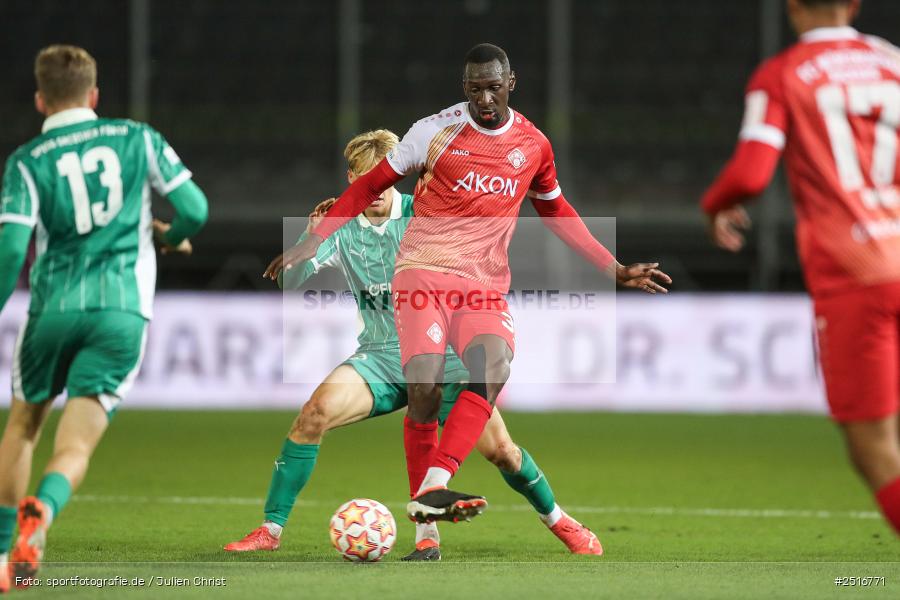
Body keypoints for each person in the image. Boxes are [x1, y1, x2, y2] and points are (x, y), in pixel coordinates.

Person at [265, 43, 671, 523]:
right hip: (413, 295)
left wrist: (613, 267)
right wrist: (314, 241)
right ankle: (300, 528)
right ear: (464, 88)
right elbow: (366, 188)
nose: (484, 98)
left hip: (480, 287)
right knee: (406, 393)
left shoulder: (533, 145)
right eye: (475, 89)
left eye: (493, 87)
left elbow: (555, 209)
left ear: (510, 83)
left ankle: (469, 497)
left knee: (497, 392)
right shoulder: (432, 132)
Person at [226, 130, 601, 560]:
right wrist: (307, 238)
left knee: (503, 452)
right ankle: (271, 530)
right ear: (352, 178)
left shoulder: (426, 213)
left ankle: (560, 520)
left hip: (444, 359)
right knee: (314, 414)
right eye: (366, 181)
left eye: (384, 182)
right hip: (383, 358)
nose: (376, 192)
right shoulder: (339, 226)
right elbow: (291, 282)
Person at [0, 45, 208, 589]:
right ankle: (40, 514)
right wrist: (173, 237)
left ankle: (2, 551)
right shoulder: (137, 137)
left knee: (23, 426)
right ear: (94, 96)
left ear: (42, 99)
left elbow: (10, 250)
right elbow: (194, 209)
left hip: (52, 311)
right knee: (75, 445)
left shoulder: (26, 161)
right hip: (120, 312)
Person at [700, 0, 900, 535]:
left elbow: (750, 174)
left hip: (857, 272)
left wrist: (714, 204)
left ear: (791, 7)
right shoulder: (891, 61)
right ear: (854, 3)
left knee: (874, 445)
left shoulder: (783, 75)